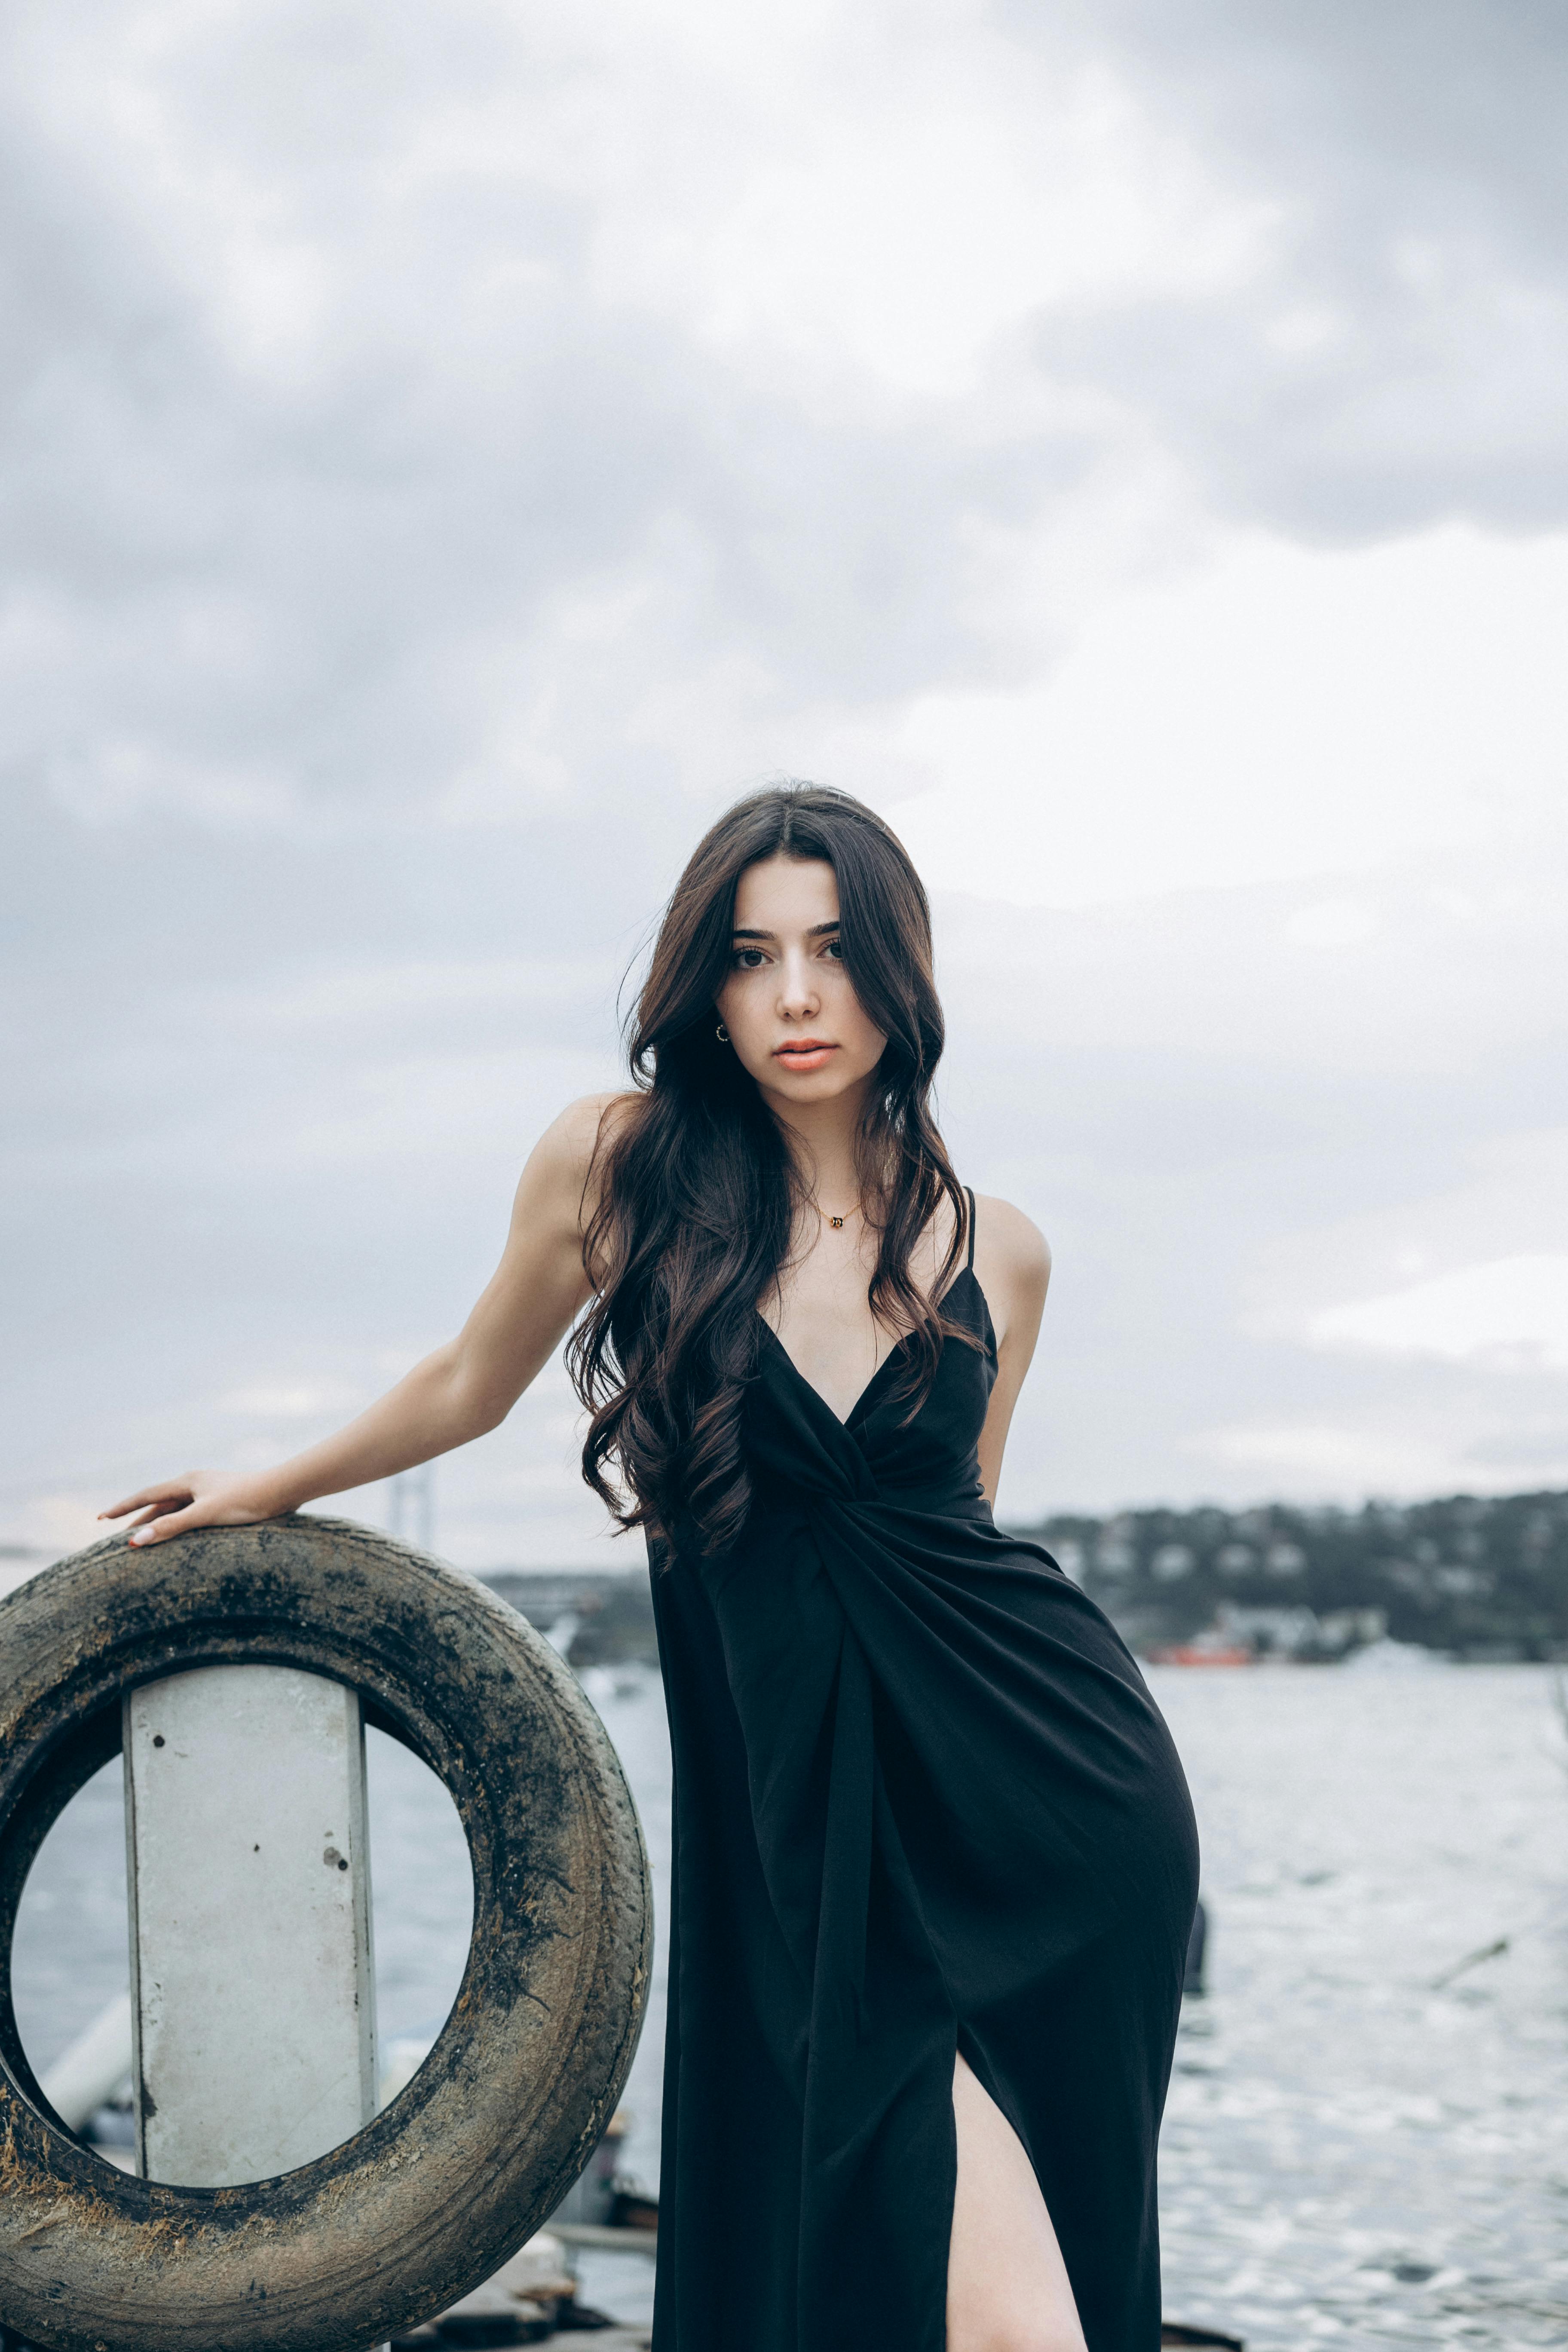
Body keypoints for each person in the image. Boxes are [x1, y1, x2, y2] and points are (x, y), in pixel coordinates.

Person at [104, 784, 1199, 2352]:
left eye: (835, 950)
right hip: (808, 1821)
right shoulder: (623, 1166)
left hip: (1058, 1810)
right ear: (710, 986)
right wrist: (270, 1481)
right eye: (753, 958)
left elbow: (960, 1535)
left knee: (1024, 2304)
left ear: (906, 971)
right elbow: (470, 1383)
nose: (798, 997)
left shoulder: (997, 1244)